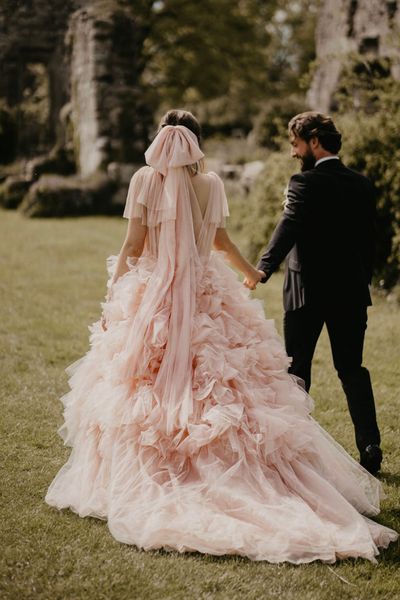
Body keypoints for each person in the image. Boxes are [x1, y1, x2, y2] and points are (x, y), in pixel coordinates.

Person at [45, 109, 397, 563]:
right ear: (196, 143)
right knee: (230, 378)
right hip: (211, 292)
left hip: (158, 295)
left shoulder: (144, 180)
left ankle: (163, 465)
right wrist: (252, 273)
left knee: (148, 382)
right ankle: (276, 466)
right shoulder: (210, 184)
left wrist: (115, 296)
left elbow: (132, 247)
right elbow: (221, 244)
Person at [256, 112, 382, 475]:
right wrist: (362, 279)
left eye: (295, 143)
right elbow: (369, 243)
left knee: (297, 370)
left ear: (313, 141)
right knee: (352, 369)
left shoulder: (303, 183)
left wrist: (263, 268)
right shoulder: (362, 184)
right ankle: (370, 444)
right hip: (351, 293)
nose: (293, 152)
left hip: (305, 292)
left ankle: (295, 453)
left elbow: (289, 226)